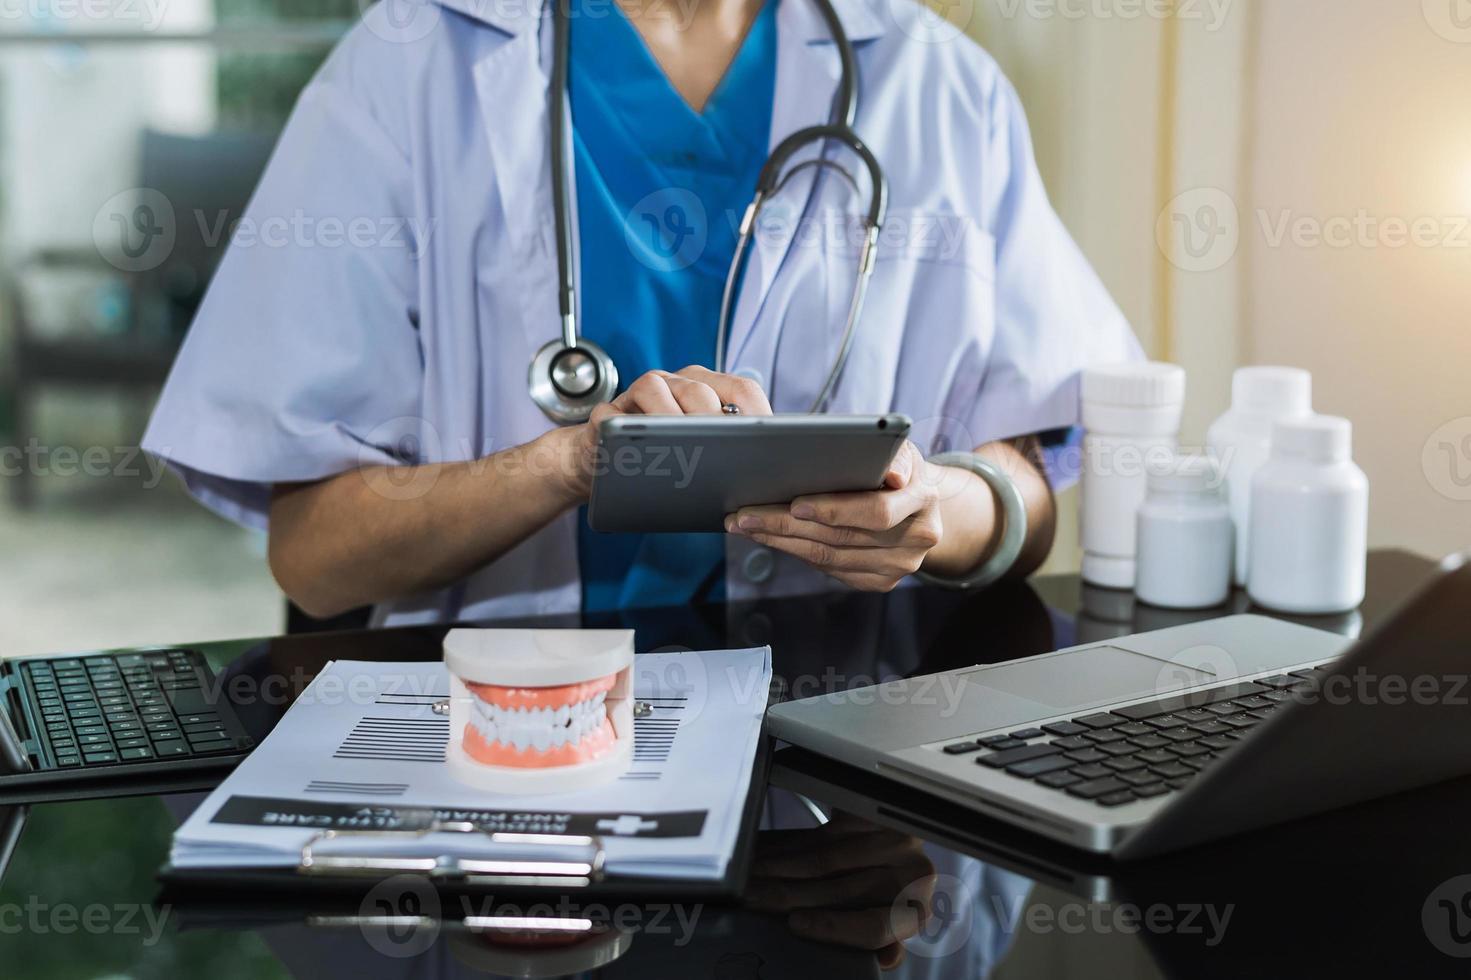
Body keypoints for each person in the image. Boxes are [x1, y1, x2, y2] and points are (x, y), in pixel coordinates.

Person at [143, 0, 1141, 626]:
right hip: (506, 748)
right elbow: (314, 560)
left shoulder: (937, 81)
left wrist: (937, 508)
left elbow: (1028, 486)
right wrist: (566, 463)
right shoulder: (410, 61)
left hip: (848, 759)